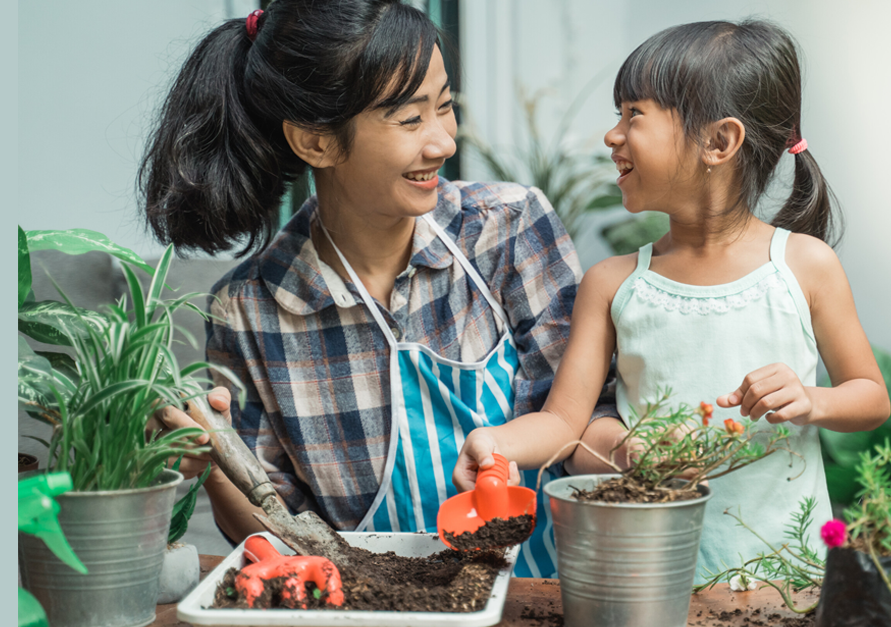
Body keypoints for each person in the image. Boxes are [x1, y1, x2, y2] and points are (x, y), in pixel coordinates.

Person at [141, 0, 608, 578]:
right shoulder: (250, 310)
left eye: (445, 107)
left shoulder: (506, 229)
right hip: (371, 604)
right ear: (316, 142)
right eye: (411, 120)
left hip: (542, 593)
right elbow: (278, 528)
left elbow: (586, 415)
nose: (442, 143)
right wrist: (211, 459)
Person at [453, 20, 891, 579]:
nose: (612, 136)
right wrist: (495, 442)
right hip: (651, 577)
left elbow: (872, 397)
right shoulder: (612, 283)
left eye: (634, 114)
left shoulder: (803, 266)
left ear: (719, 142)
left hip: (787, 578)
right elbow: (564, 422)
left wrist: (812, 400)